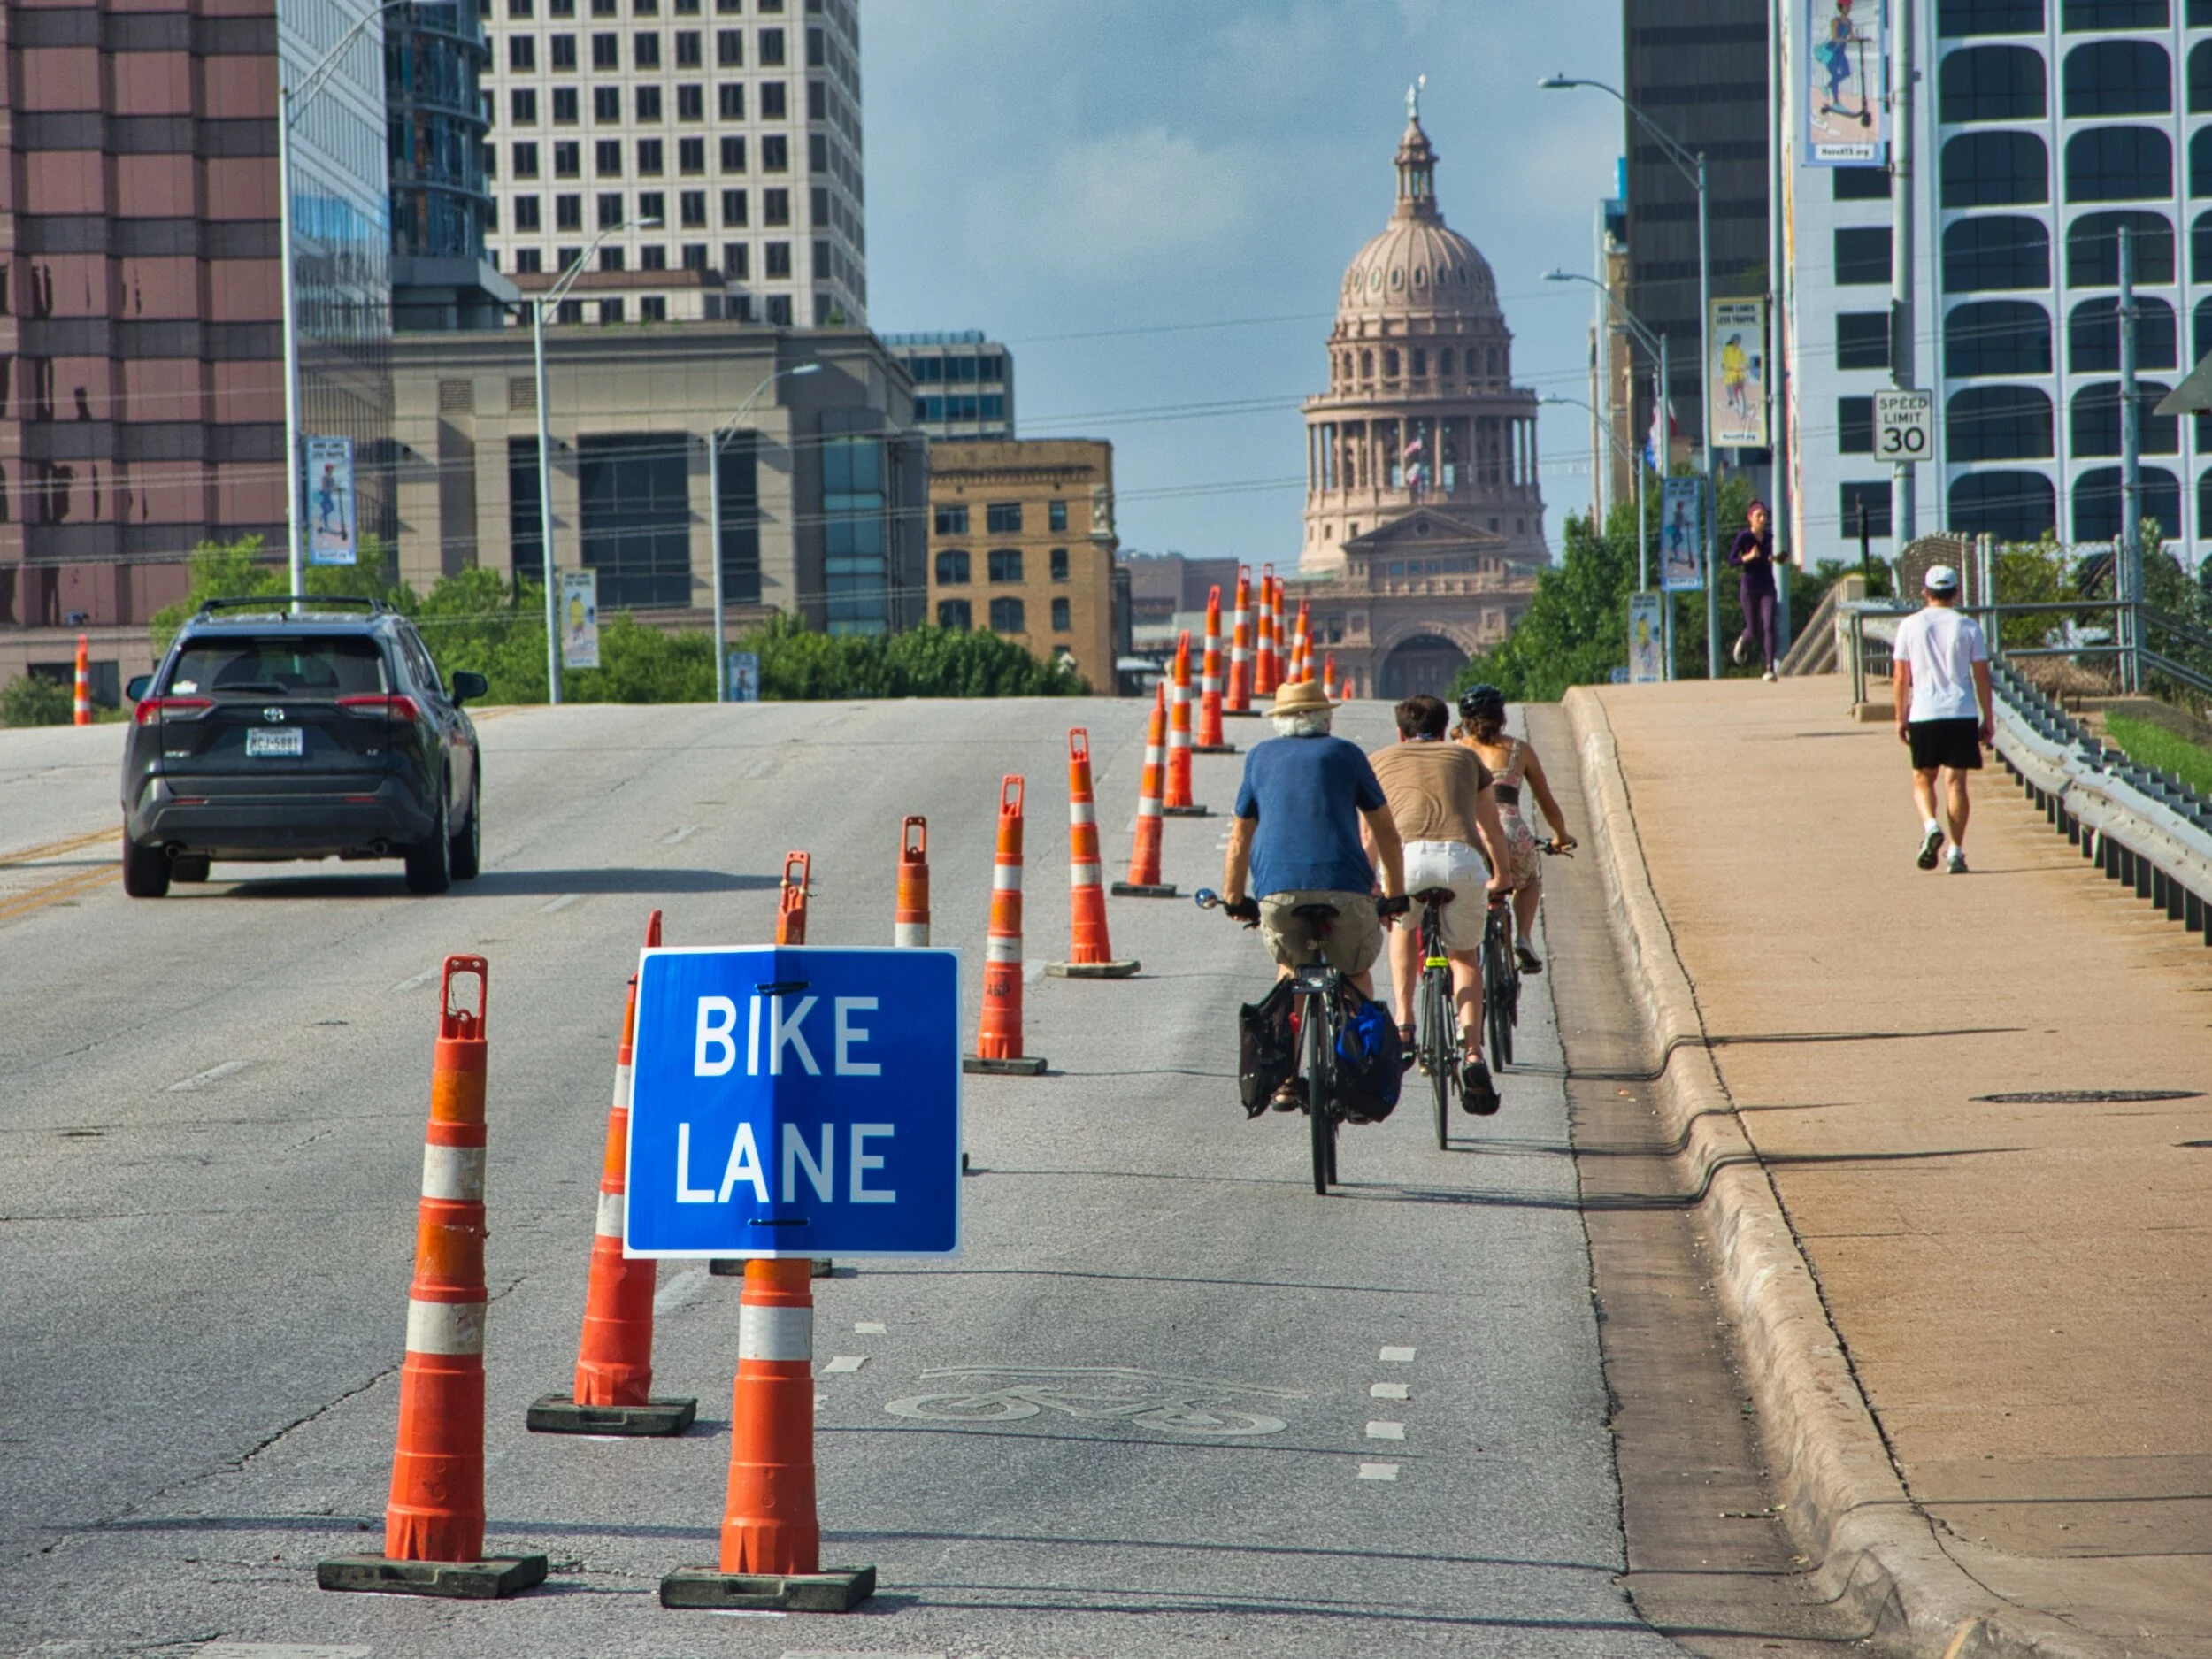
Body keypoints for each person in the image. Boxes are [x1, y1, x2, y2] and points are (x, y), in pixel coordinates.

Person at [1221, 678, 1406, 1104]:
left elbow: (1240, 837)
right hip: (1345, 888)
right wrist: (1393, 895)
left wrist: (1233, 897)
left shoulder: (1259, 757)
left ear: (1280, 721)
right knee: (1355, 970)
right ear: (1325, 719)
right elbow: (1386, 832)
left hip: (1279, 892)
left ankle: (1286, 1077)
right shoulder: (1346, 754)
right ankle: (1357, 1066)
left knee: (1291, 967)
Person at [1368, 694, 1514, 1114]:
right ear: (1446, 726)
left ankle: (1405, 1024)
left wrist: (1371, 886)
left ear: (1402, 733)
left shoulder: (1379, 761)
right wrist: (1502, 877)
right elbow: (1492, 829)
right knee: (1464, 955)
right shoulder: (1467, 759)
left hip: (1407, 862)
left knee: (1403, 927)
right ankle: (1473, 1051)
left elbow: (1369, 836)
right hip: (1460, 860)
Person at [1455, 685, 1576, 974]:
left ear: (1466, 719)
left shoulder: (1456, 750)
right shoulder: (1520, 750)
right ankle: (1523, 937)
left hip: (1468, 833)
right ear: (1502, 717)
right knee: (1528, 880)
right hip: (1510, 829)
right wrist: (1561, 836)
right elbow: (1546, 802)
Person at [1892, 563, 1993, 874]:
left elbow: (1901, 676)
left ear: (1925, 592)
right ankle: (1957, 852)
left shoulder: (1910, 625)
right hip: (1961, 711)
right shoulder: (1969, 627)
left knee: (1923, 778)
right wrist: (1987, 718)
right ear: (1955, 593)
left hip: (1925, 712)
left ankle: (1931, 826)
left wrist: (1900, 717)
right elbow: (1981, 676)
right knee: (1956, 783)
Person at [1728, 499, 1786, 680]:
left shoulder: (1769, 537)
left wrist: (1776, 558)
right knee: (1752, 630)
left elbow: (1771, 557)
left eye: (1764, 515)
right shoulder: (1744, 537)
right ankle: (1743, 641)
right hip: (1749, 587)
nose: (1762, 519)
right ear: (1750, 518)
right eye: (1758, 515)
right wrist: (1749, 556)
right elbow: (1731, 561)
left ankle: (1770, 668)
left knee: (1769, 625)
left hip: (1767, 586)